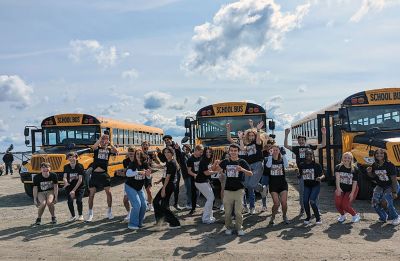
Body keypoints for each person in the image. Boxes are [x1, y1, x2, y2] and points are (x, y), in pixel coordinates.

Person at [212, 144, 253, 236]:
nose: (233, 152)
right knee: (227, 212)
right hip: (228, 190)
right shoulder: (226, 161)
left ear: (238, 152)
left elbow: (250, 173)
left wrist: (242, 169)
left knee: (238, 212)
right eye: (232, 150)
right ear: (229, 152)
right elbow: (215, 170)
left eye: (235, 151)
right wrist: (215, 164)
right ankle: (228, 227)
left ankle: (239, 228)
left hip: (239, 190)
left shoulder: (242, 161)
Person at [284, 127, 326, 215]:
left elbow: (323, 144)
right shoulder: (296, 149)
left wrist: (324, 134)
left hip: (313, 172)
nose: (301, 141)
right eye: (300, 140)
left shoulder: (310, 146)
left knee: (314, 191)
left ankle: (316, 208)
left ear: (305, 141)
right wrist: (286, 135)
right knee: (302, 192)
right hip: (302, 173)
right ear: (298, 141)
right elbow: (286, 146)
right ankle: (302, 208)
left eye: (303, 140)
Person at [86, 133, 118, 222]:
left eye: (106, 140)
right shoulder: (97, 149)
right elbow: (93, 147)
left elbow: (116, 150)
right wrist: (100, 139)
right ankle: (90, 213)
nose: (104, 141)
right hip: (95, 174)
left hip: (104, 174)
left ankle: (109, 211)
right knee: (91, 194)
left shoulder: (108, 150)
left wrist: (110, 143)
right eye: (103, 140)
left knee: (109, 192)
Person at [367, 148, 400, 225]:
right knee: (374, 201)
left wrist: (394, 191)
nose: (379, 155)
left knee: (386, 201)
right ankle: (383, 217)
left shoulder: (390, 165)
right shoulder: (374, 165)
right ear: (375, 155)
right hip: (380, 186)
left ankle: (396, 217)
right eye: (377, 153)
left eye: (381, 153)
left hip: (391, 186)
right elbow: (373, 176)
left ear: (385, 155)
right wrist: (369, 172)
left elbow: (394, 180)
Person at [240, 120, 265, 214]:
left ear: (255, 136)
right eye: (249, 135)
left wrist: (258, 130)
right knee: (246, 183)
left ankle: (262, 189)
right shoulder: (248, 145)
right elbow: (242, 148)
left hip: (258, 164)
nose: (251, 137)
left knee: (251, 185)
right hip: (249, 166)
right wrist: (241, 138)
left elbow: (258, 139)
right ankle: (262, 188)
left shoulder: (258, 143)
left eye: (252, 135)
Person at [123, 149, 152, 230]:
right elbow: (128, 174)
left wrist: (148, 174)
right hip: (130, 186)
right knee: (137, 205)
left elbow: (148, 177)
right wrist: (138, 172)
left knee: (144, 205)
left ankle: (139, 223)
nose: (138, 156)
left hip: (139, 188)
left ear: (142, 155)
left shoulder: (145, 164)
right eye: (136, 154)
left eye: (139, 154)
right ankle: (132, 224)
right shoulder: (133, 164)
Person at [157, 135, 188, 210]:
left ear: (171, 140)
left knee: (176, 188)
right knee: (167, 186)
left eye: (168, 140)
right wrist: (159, 154)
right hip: (168, 170)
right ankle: (165, 204)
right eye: (165, 140)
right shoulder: (165, 149)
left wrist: (178, 150)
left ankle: (175, 204)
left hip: (176, 171)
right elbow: (163, 160)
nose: (167, 141)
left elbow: (181, 157)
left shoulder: (176, 146)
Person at [153, 147, 181, 229]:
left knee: (158, 203)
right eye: (165, 152)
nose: (166, 154)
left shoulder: (172, 163)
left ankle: (175, 223)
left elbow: (168, 177)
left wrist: (163, 189)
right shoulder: (168, 162)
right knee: (162, 204)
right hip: (168, 185)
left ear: (172, 153)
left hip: (169, 186)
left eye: (168, 152)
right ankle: (160, 221)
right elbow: (165, 174)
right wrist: (159, 181)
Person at [265, 145, 290, 225]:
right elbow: (268, 166)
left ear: (279, 151)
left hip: (283, 184)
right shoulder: (269, 159)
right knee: (276, 203)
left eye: (276, 150)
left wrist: (284, 154)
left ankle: (284, 216)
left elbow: (286, 166)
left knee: (284, 202)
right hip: (273, 184)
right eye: (273, 150)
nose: (275, 152)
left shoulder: (282, 159)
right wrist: (270, 155)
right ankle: (272, 217)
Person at [298, 149, 324, 225]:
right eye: (307, 154)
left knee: (312, 201)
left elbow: (323, 175)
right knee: (305, 201)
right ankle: (308, 217)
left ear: (312, 155)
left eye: (310, 154)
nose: (308, 156)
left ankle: (318, 218)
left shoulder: (316, 165)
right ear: (304, 155)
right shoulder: (302, 165)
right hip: (307, 186)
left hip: (315, 185)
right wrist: (297, 173)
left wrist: (320, 178)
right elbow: (300, 176)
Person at [334, 152, 360, 223]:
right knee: (337, 203)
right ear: (342, 158)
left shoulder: (355, 168)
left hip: (351, 189)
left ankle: (355, 215)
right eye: (345, 157)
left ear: (351, 159)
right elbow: (337, 179)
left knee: (345, 205)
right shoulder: (338, 167)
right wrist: (338, 189)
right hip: (341, 188)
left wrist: (352, 193)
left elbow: (355, 182)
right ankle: (343, 215)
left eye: (349, 158)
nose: (347, 159)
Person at [195, 147, 217, 224]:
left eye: (210, 152)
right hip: (200, 182)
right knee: (211, 198)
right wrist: (217, 171)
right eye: (207, 152)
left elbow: (209, 169)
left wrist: (215, 164)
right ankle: (206, 218)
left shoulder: (208, 160)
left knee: (210, 198)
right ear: (204, 153)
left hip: (204, 181)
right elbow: (207, 173)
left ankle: (209, 216)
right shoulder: (203, 160)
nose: (208, 154)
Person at [63, 152, 85, 222]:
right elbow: (65, 177)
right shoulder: (66, 167)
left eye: (73, 157)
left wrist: (74, 190)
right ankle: (73, 216)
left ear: (76, 157)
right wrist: (66, 182)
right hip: (70, 186)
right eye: (70, 157)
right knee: (70, 201)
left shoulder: (80, 166)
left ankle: (80, 215)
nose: (71, 158)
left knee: (79, 201)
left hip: (79, 186)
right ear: (68, 158)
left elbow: (80, 180)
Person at [186, 145, 204, 215]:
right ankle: (193, 208)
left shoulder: (201, 157)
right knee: (194, 193)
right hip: (194, 178)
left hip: (202, 177)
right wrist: (195, 175)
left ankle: (212, 206)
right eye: (200, 152)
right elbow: (189, 171)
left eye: (202, 152)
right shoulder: (190, 159)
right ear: (196, 150)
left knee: (200, 192)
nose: (201, 153)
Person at [141, 141, 159, 212]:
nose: (145, 146)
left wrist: (156, 157)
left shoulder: (151, 154)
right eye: (143, 145)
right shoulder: (139, 154)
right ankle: (144, 204)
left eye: (146, 145)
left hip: (148, 174)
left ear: (148, 147)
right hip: (140, 174)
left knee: (149, 190)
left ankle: (150, 205)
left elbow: (158, 163)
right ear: (141, 146)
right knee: (141, 191)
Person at [122, 146, 136, 222]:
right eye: (129, 152)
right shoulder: (125, 161)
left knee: (136, 201)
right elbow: (125, 172)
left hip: (137, 183)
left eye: (132, 152)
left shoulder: (138, 161)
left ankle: (138, 214)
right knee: (125, 200)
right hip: (128, 183)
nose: (131, 154)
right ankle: (129, 213)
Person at [261, 139, 275, 211]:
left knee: (274, 191)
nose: (269, 148)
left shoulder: (275, 152)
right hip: (265, 174)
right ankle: (264, 205)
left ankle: (276, 205)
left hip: (273, 175)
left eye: (270, 146)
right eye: (267, 146)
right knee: (264, 190)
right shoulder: (263, 152)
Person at [182, 144, 193, 210]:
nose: (185, 149)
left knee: (194, 190)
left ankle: (193, 202)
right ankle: (188, 203)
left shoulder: (191, 155)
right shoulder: (183, 156)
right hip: (186, 175)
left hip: (192, 175)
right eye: (184, 148)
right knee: (188, 190)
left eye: (186, 148)